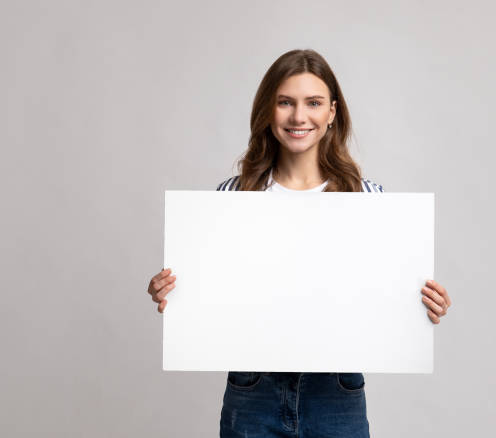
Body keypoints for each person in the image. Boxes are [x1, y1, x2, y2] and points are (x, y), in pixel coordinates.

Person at [147, 49, 452, 438]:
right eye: (285, 102)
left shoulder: (368, 199)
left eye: (313, 103)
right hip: (253, 391)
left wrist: (423, 302)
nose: (298, 116)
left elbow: (384, 297)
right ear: (267, 111)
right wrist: (174, 291)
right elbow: (213, 294)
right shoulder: (233, 195)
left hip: (336, 392)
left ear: (332, 113)